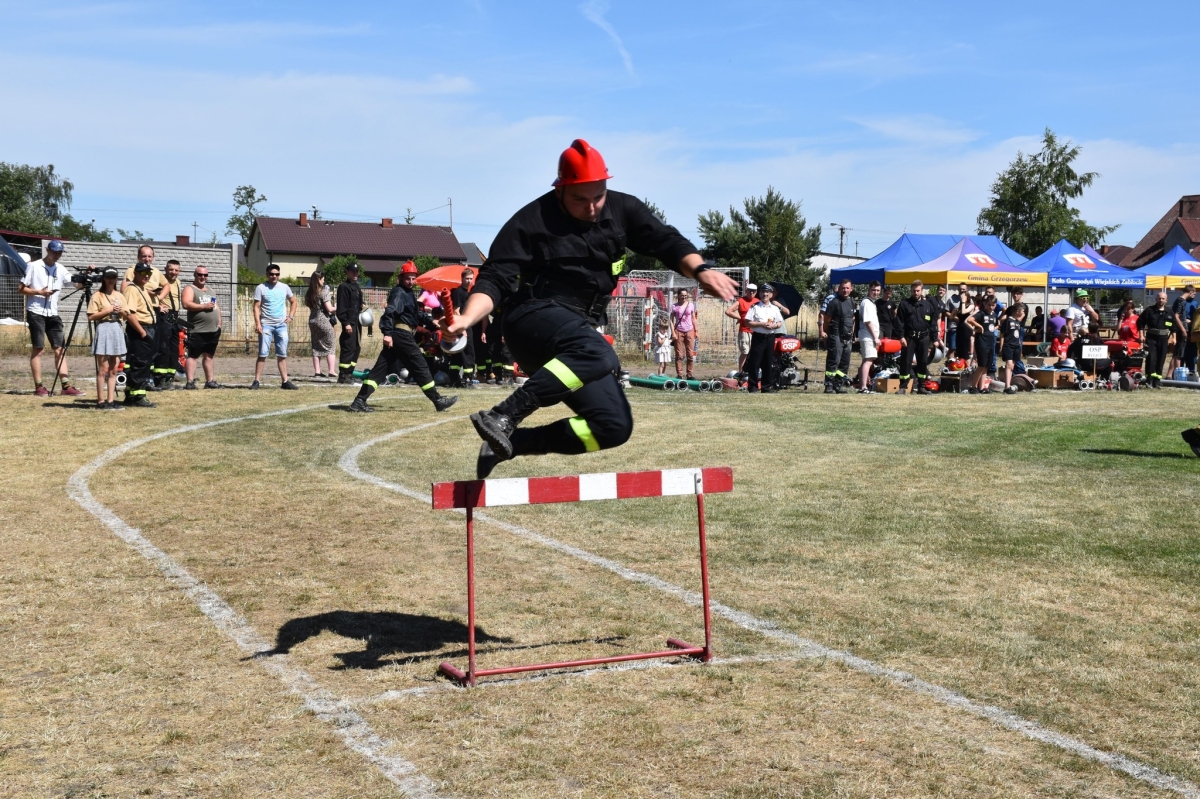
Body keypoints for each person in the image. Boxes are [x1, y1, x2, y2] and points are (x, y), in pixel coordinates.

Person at [443, 138, 737, 478]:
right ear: (560, 190)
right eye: (579, 199)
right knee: (600, 355)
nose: (592, 207)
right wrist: (466, 318)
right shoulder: (531, 221)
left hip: (577, 330)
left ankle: (514, 443)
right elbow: (494, 277)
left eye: (598, 196)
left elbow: (666, 242)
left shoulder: (623, 210)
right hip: (531, 318)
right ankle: (504, 414)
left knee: (612, 426)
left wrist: (700, 270)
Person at [347, 260, 458, 413]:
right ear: (401, 278)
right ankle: (438, 400)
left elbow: (416, 314)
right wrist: (387, 333)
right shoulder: (399, 292)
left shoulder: (409, 294)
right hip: (401, 336)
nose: (411, 281)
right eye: (408, 278)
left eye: (413, 278)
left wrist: (433, 322)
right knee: (421, 366)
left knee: (379, 371)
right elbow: (390, 312)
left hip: (400, 336)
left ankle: (359, 401)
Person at [18, 239, 83, 396]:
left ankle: (66, 386)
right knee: (38, 348)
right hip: (36, 311)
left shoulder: (60, 269)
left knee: (60, 348)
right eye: (55, 252)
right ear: (48, 250)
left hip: (53, 313)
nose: (57, 255)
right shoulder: (33, 266)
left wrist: (85, 277)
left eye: (60, 252)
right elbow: (21, 289)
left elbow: (74, 284)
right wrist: (39, 292)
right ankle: (39, 386)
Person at [86, 267, 128, 409]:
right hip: (103, 328)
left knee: (114, 369)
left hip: (116, 328)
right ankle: (100, 401)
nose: (111, 280)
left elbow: (127, 315)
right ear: (104, 278)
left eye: (114, 277)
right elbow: (91, 316)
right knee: (103, 368)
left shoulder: (120, 295)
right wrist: (109, 310)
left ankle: (111, 400)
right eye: (109, 277)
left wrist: (120, 310)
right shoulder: (97, 295)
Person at [251, 264, 299, 390]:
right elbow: (256, 307)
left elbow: (293, 301)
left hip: (281, 325)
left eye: (276, 274)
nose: (274, 276)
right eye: (272, 274)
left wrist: (291, 316)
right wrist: (258, 324)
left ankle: (285, 381)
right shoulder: (261, 288)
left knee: (282, 354)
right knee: (262, 353)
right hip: (266, 325)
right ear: (267, 274)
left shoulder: (284, 287)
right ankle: (256, 381)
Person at [896, 280, 943, 395]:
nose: (916, 293)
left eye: (918, 291)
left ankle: (921, 387)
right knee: (906, 362)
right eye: (914, 291)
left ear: (922, 291)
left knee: (922, 362)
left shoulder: (928, 306)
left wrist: (935, 339)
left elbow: (932, 324)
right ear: (911, 290)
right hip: (909, 338)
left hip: (924, 338)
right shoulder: (904, 304)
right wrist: (901, 336)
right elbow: (899, 322)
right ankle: (903, 387)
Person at [122, 263, 159, 407]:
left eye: (148, 273)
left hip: (147, 328)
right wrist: (143, 333)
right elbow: (129, 313)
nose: (147, 276)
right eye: (143, 273)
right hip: (140, 329)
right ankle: (138, 396)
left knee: (141, 363)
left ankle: (131, 394)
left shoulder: (142, 288)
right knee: (140, 364)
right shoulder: (132, 289)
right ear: (135, 274)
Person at [182, 266, 222, 389]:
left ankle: (209, 381)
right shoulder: (190, 288)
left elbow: (216, 306)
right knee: (193, 356)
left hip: (213, 329)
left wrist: (219, 323)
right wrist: (204, 307)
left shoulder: (210, 289)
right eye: (200, 274)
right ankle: (190, 382)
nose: (202, 277)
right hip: (197, 329)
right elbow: (186, 304)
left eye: (205, 275)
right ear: (195, 275)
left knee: (209, 356)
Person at [151, 259, 184, 389]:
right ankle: (160, 380)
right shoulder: (160, 282)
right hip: (164, 317)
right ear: (165, 269)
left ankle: (170, 378)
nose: (173, 272)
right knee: (163, 349)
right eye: (171, 269)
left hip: (174, 317)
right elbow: (149, 296)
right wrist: (158, 306)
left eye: (176, 270)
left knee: (174, 349)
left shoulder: (178, 282)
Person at [744, 283, 784, 392]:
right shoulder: (755, 307)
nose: (764, 294)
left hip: (770, 337)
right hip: (758, 337)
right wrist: (761, 324)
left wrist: (774, 325)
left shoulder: (775, 308)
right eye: (762, 292)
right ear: (759, 294)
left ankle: (767, 387)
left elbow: (779, 322)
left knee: (768, 362)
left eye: (767, 292)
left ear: (771, 295)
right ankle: (752, 387)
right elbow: (748, 322)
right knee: (754, 363)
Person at [821, 278, 855, 393]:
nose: (845, 290)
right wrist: (828, 331)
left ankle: (838, 385)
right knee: (833, 360)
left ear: (851, 289)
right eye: (843, 288)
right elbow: (826, 319)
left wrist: (852, 334)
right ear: (839, 289)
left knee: (844, 363)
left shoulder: (851, 302)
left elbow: (852, 319)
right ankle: (829, 385)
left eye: (847, 288)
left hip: (847, 337)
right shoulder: (834, 302)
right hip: (836, 335)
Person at [448, 268, 478, 388]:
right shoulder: (459, 292)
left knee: (459, 355)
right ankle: (468, 380)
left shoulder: (468, 292)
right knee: (468, 354)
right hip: (463, 327)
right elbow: (456, 311)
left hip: (466, 325)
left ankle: (454, 379)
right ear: (462, 278)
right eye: (467, 278)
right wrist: (463, 328)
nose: (469, 281)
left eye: (471, 278)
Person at [1137, 291, 1173, 388]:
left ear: (1166, 300)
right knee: (1151, 359)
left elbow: (1174, 327)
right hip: (1151, 338)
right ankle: (1149, 380)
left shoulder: (1169, 312)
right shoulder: (1149, 310)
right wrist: (1141, 335)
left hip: (1163, 339)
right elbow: (1140, 323)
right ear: (1156, 299)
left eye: (1163, 298)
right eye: (1159, 298)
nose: (1161, 300)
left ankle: (1157, 381)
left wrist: (1173, 338)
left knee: (1161, 359)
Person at [336, 263, 364, 383]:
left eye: (356, 272)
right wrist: (345, 323)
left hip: (357, 322)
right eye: (352, 272)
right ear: (347, 272)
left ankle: (350, 372)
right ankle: (343, 375)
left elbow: (359, 303)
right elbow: (341, 308)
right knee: (348, 348)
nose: (355, 274)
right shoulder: (344, 287)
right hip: (349, 322)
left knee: (356, 348)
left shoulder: (356, 287)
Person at [964, 295, 998, 395]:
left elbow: (996, 325)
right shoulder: (981, 313)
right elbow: (970, 320)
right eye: (989, 305)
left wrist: (993, 329)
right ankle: (973, 387)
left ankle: (982, 387)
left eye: (993, 305)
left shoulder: (994, 315)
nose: (991, 307)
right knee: (981, 365)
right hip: (982, 342)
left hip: (990, 342)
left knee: (986, 366)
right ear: (985, 304)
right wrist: (979, 327)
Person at [305, 270, 337, 378]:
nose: (324, 281)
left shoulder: (309, 293)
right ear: (319, 279)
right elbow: (329, 308)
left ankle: (317, 371)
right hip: (323, 320)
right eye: (322, 279)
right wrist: (339, 308)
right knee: (331, 345)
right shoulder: (323, 292)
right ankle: (331, 371)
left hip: (312, 320)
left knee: (316, 346)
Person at [724, 282, 758, 374]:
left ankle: (752, 371)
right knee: (745, 351)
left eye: (754, 291)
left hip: (755, 331)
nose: (751, 293)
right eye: (750, 291)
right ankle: (741, 372)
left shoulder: (758, 301)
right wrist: (739, 317)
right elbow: (728, 311)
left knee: (754, 353)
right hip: (744, 331)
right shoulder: (741, 301)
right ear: (746, 291)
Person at [856, 281, 882, 394]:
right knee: (868, 361)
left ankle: (863, 385)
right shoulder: (866, 302)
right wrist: (875, 337)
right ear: (869, 290)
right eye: (873, 290)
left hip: (868, 335)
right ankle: (863, 387)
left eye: (877, 290)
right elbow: (867, 322)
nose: (875, 292)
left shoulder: (872, 303)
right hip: (868, 335)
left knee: (866, 361)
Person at [670, 288, 697, 380]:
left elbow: (693, 318)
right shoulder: (674, 306)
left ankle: (689, 374)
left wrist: (696, 331)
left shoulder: (691, 305)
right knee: (679, 355)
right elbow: (671, 320)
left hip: (689, 330)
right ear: (678, 296)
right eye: (682, 295)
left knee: (690, 355)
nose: (684, 297)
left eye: (686, 295)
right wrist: (673, 332)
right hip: (678, 331)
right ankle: (680, 374)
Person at [999, 304, 1026, 394]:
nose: (1023, 313)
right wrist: (1001, 347)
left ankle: (1009, 385)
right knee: (1009, 365)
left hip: (1016, 346)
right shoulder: (1008, 321)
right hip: (1008, 345)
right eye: (1022, 311)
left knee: (1013, 366)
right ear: (1017, 311)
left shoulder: (1018, 322)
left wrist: (1020, 347)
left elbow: (1018, 336)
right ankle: (1007, 386)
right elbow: (1002, 334)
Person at [1170, 285, 1195, 374]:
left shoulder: (1179, 300)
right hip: (1180, 330)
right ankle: (1178, 374)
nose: (1194, 295)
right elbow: (1176, 316)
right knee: (1179, 354)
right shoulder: (1182, 301)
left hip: (1179, 329)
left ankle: (1170, 375)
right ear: (1191, 292)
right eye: (1194, 293)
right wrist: (1183, 330)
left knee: (1176, 354)